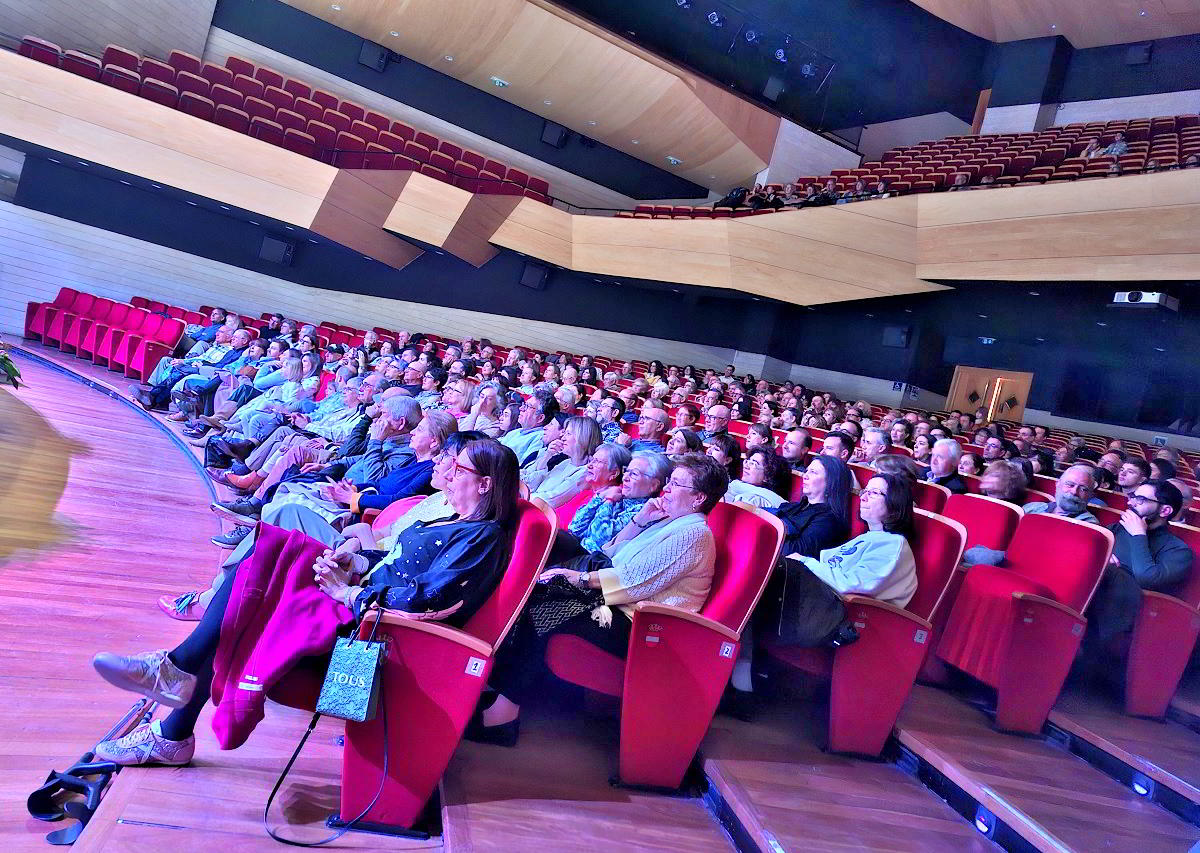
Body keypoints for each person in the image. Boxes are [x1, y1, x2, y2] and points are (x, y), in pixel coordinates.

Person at [91, 439, 520, 765]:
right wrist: (353, 559)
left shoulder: (483, 537)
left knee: (252, 594)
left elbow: (429, 601)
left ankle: (173, 703)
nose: (447, 470)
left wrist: (348, 591)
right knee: (269, 553)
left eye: (458, 466)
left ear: (484, 483)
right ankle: (173, 699)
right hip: (359, 606)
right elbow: (396, 565)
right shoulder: (453, 519)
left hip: (372, 638)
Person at [475, 454, 728, 745]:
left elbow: (634, 583)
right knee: (536, 593)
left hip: (642, 626)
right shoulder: (671, 522)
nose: (666, 489)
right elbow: (612, 552)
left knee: (543, 609)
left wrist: (578, 578)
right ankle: (500, 691)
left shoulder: (693, 534)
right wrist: (640, 520)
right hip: (619, 606)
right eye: (669, 482)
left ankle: (502, 720)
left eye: (676, 484)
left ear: (698, 498)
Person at [1088, 480, 1193, 651]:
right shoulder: (1117, 528)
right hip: (1092, 600)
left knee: (1118, 577)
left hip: (1126, 618)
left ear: (1165, 510)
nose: (1131, 502)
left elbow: (1147, 578)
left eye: (1141, 499)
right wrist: (1103, 557)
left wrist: (1138, 535)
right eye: (1133, 497)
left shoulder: (1179, 551)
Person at [560, 448, 665, 558]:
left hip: (589, 562)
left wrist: (608, 502)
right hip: (575, 551)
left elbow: (598, 538)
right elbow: (575, 527)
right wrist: (600, 498)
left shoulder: (643, 511)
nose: (625, 478)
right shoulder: (619, 496)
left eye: (634, 474)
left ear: (653, 485)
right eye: (626, 471)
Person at [529, 416, 603, 508]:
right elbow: (531, 484)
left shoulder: (585, 472)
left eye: (568, 433)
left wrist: (522, 495)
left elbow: (550, 500)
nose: (562, 438)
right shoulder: (566, 462)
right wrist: (547, 456)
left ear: (583, 438)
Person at [500, 389, 558, 467]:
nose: (521, 408)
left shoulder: (540, 437)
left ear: (540, 418)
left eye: (528, 406)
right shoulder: (516, 431)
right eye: (524, 404)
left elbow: (523, 466)